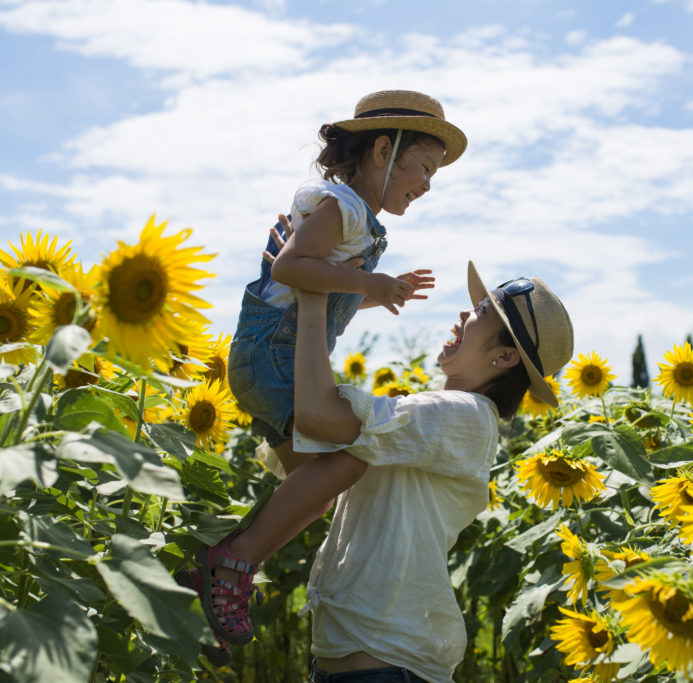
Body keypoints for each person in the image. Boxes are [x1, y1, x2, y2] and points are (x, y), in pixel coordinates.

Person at [202, 260, 574, 682]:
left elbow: (318, 418)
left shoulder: (465, 416)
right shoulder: (422, 423)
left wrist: (315, 291)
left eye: (482, 312)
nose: (463, 314)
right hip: (350, 666)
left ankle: (233, 561)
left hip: (390, 667)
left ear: (505, 356)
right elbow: (309, 468)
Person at [193, 91, 468, 649]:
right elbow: (295, 268)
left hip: (276, 356)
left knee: (313, 492)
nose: (428, 184)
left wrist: (376, 294)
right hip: (274, 357)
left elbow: (318, 287)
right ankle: (233, 562)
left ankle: (213, 571)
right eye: (423, 168)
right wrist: (371, 283)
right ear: (382, 151)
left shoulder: (356, 219)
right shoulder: (340, 207)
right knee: (346, 461)